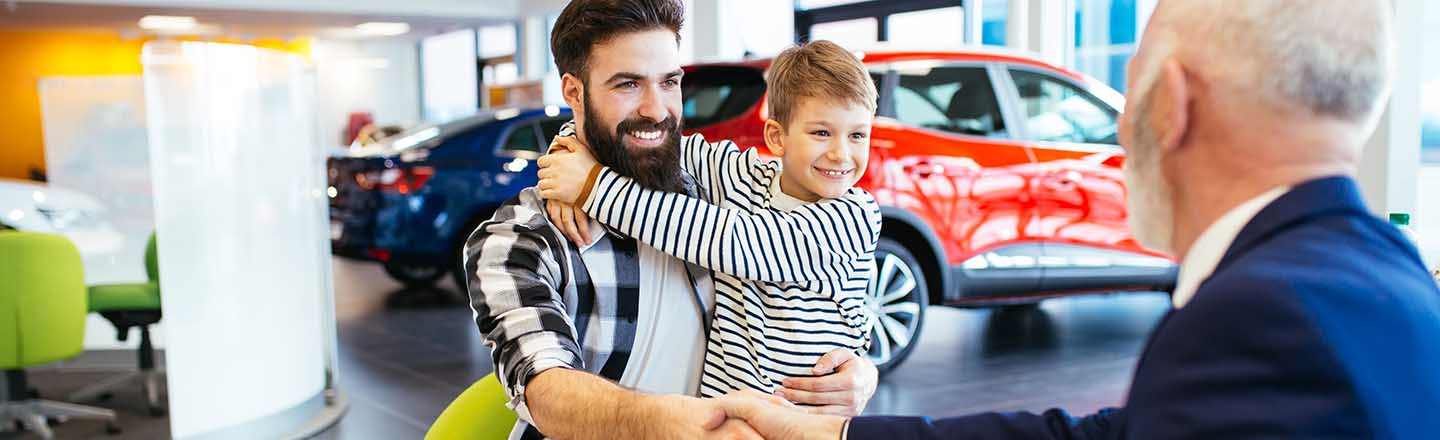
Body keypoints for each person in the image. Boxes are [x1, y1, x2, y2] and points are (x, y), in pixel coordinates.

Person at [711, 0, 1440, 438]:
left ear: (1172, 103)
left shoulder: (1255, 319)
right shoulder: (1394, 273)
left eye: (1132, 93)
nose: (1120, 134)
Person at [462, 1, 877, 439]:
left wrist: (860, 370)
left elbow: (765, 259)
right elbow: (546, 390)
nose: (655, 109)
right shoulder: (521, 238)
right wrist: (671, 425)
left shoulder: (709, 194)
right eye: (627, 84)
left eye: (669, 82)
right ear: (573, 92)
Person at [536, 40, 883, 399]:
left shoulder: (853, 217)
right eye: (822, 133)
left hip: (803, 423)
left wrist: (592, 187)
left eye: (858, 135)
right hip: (720, 418)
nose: (841, 153)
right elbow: (643, 143)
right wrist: (570, 149)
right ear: (777, 137)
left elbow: (733, 242)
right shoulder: (745, 176)